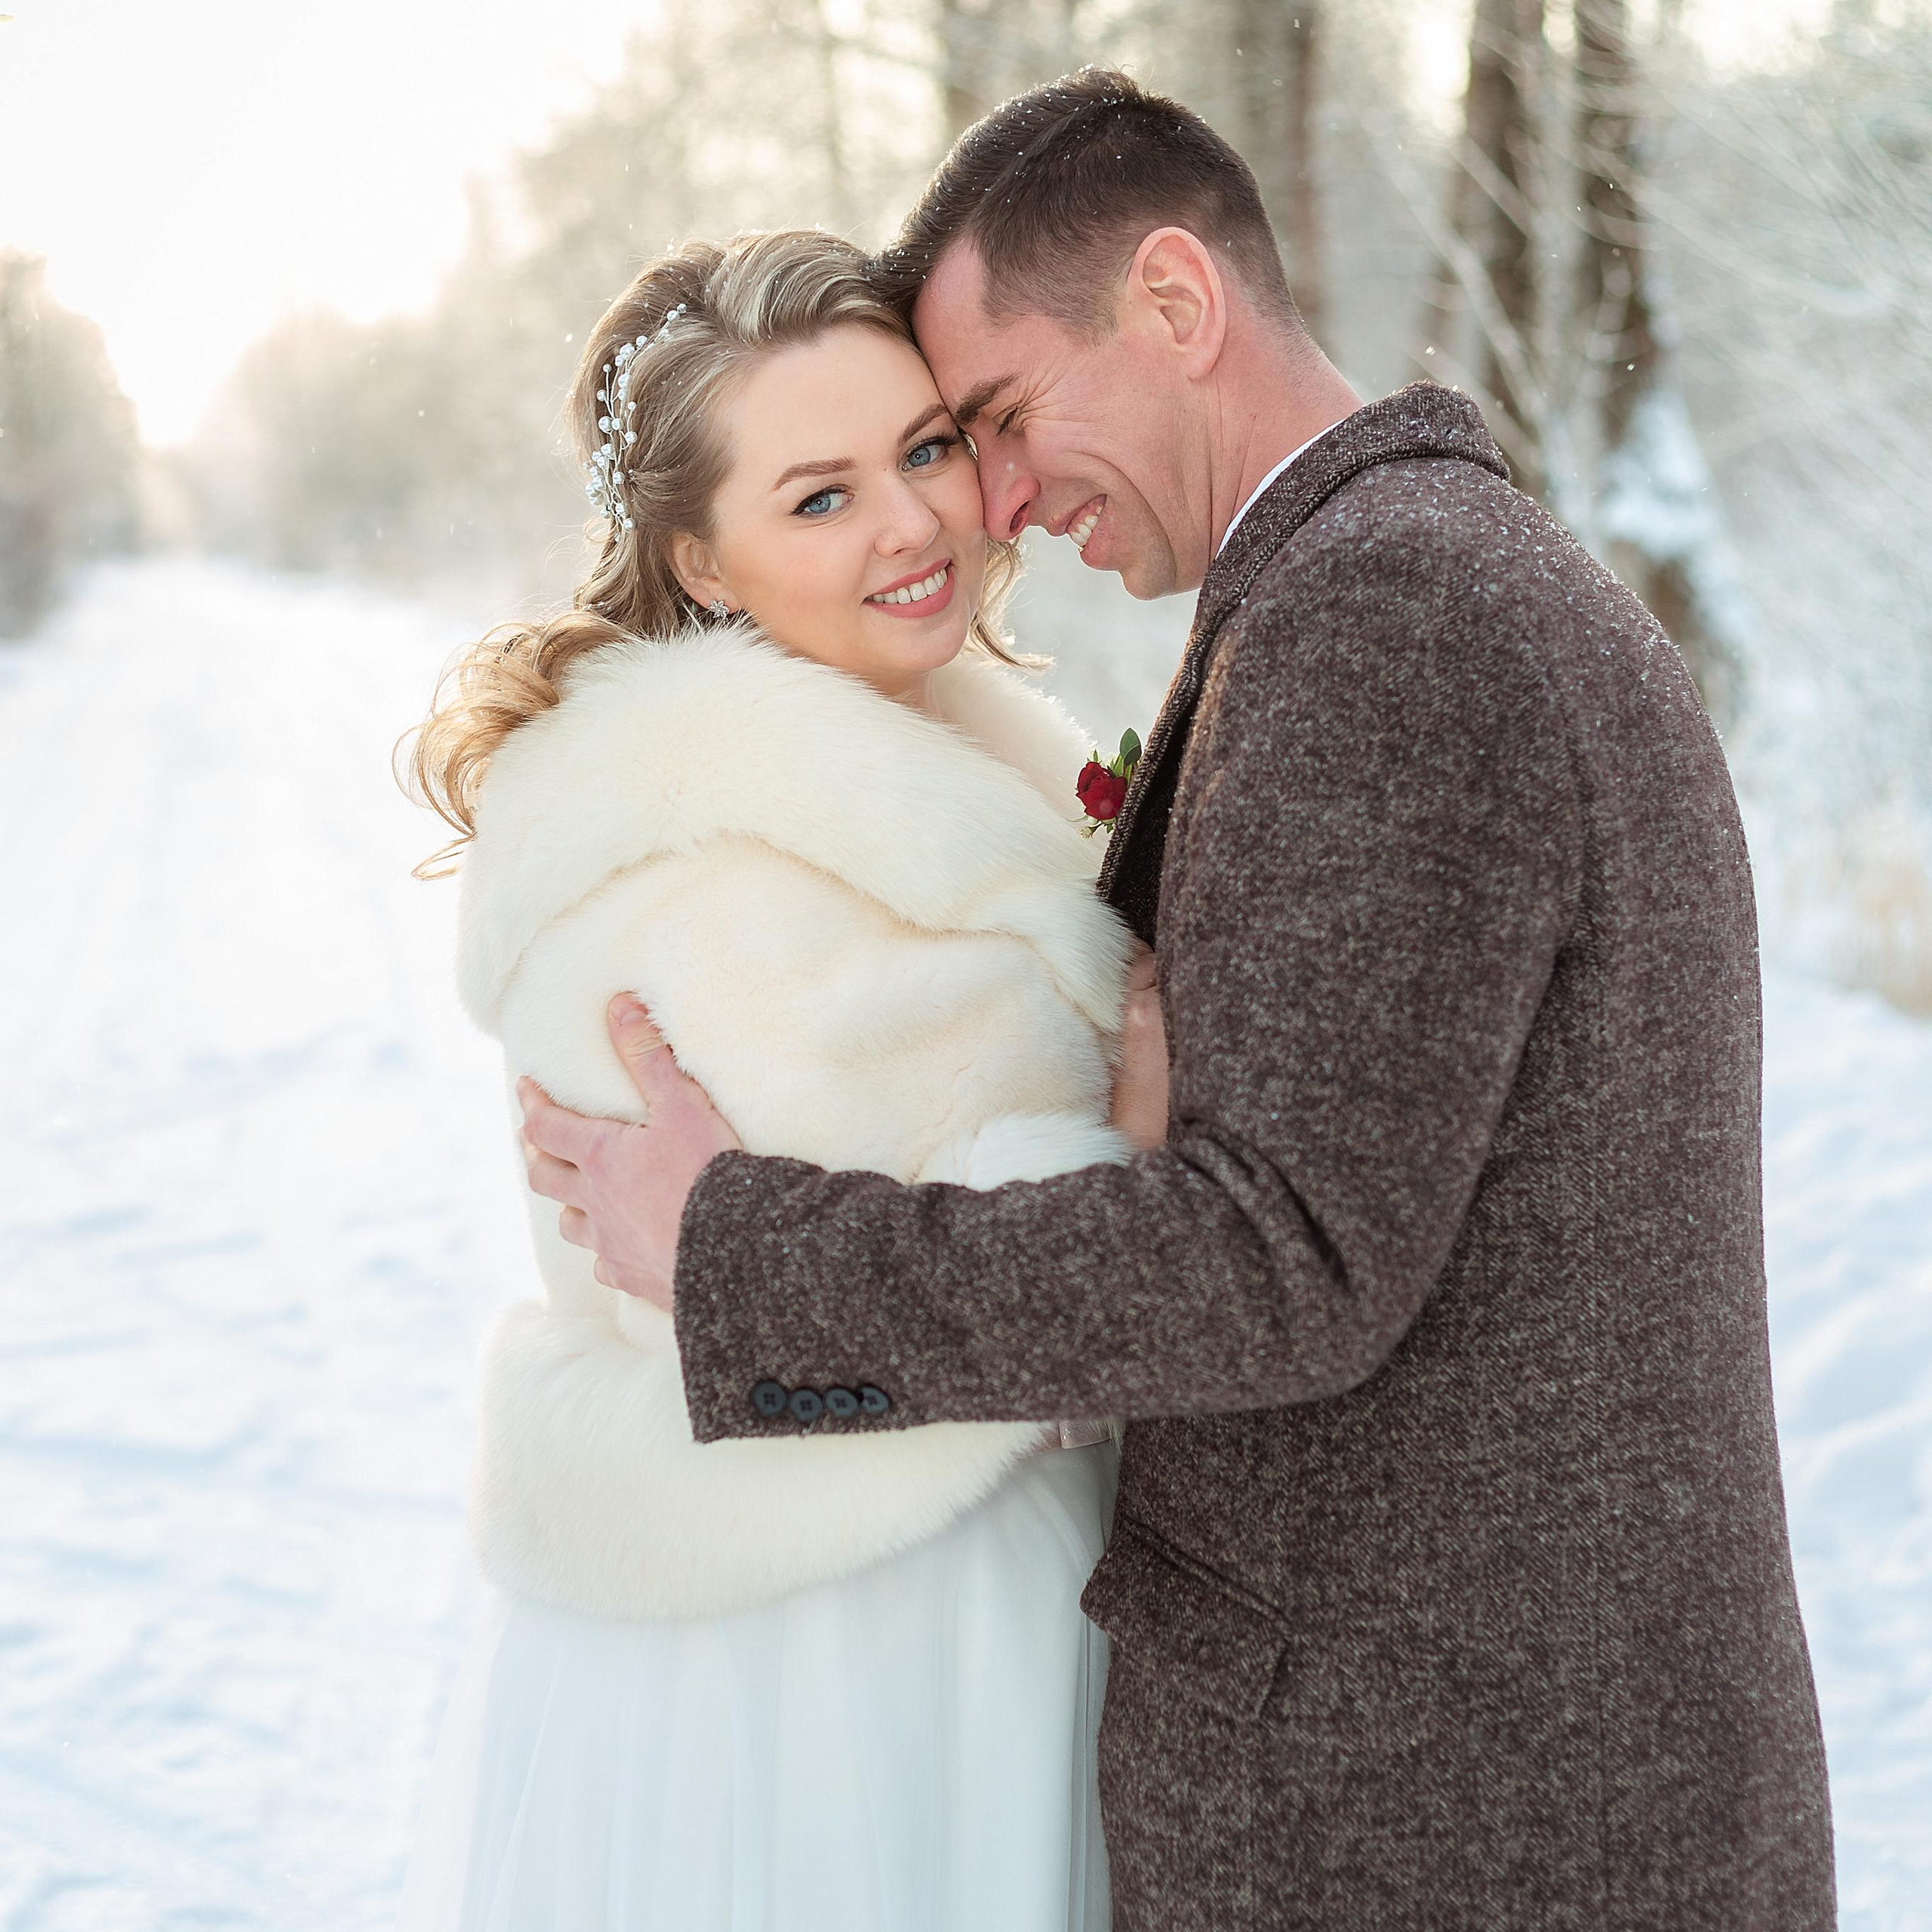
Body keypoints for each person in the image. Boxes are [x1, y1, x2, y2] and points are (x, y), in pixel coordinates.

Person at [520, 68, 1838, 1931]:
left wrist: (737, 1251)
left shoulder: (1387, 623)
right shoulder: (1407, 580)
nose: (988, 499)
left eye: (986, 418)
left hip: (1447, 1820)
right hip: (1490, 1779)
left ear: (1172, 303)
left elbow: (1271, 1260)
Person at [396, 228, 1151, 1931]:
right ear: (704, 562)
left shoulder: (966, 741)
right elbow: (839, 1325)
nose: (908, 524)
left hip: (997, 1594)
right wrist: (1150, 1128)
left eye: (924, 448)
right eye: (816, 497)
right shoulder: (675, 878)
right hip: (821, 1645)